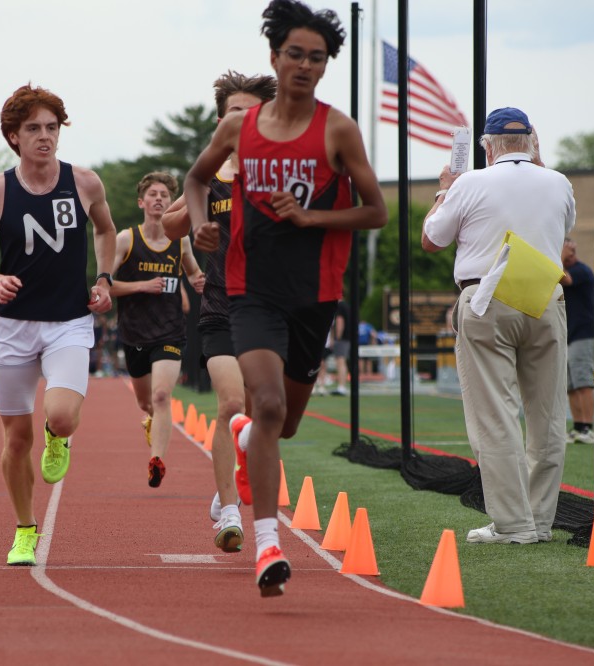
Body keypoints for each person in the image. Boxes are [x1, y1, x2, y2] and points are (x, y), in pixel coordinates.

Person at [184, 0, 387, 596]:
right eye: (295, 54)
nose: (305, 65)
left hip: (314, 295)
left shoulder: (337, 130)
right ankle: (268, 545)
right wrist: (200, 226)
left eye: (316, 57)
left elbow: (375, 211)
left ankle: (248, 436)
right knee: (267, 403)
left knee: (284, 423)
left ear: (325, 66)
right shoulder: (238, 129)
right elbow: (196, 180)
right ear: (275, 57)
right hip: (251, 290)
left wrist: (310, 216)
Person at [0, 83, 115, 567]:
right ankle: (25, 530)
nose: (45, 136)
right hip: (14, 327)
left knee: (62, 415)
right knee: (15, 440)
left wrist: (105, 279)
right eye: (33, 129)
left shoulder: (84, 182)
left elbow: (106, 230)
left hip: (69, 321)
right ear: (14, 136)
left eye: (52, 127)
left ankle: (57, 434)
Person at [422, 107, 576, 546]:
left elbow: (431, 239)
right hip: (544, 296)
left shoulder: (470, 182)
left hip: (487, 296)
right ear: (531, 141)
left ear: (488, 147)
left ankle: (512, 523)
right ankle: (540, 520)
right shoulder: (558, 182)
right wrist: (539, 162)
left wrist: (444, 189)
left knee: (495, 415)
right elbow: (563, 227)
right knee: (547, 415)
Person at [162, 70, 277, 551]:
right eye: (234, 113)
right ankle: (230, 514)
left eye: (251, 113)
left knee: (260, 413)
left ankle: (227, 479)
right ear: (220, 121)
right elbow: (169, 229)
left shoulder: (279, 171)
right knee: (230, 406)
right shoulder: (207, 177)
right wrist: (197, 207)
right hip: (220, 308)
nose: (243, 120)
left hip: (269, 311)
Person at [110, 171, 205, 489]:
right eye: (153, 194)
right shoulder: (126, 240)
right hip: (134, 333)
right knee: (146, 402)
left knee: (162, 395)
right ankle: (151, 421)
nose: (159, 199)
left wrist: (200, 282)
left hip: (170, 331)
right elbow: (105, 285)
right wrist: (141, 285)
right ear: (141, 202)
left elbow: (194, 274)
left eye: (165, 195)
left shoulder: (181, 240)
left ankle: (157, 460)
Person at [560, 238, 594, 444]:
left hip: (583, 333)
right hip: (569, 334)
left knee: (583, 382)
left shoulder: (582, 271)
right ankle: (579, 426)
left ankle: (588, 428)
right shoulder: (563, 268)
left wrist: (560, 257)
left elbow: (565, 279)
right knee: (571, 385)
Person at [330, 299, 350, 395]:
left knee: (340, 362)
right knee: (343, 362)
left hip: (341, 338)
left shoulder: (340, 306)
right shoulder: (347, 306)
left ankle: (341, 386)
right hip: (348, 338)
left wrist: (337, 338)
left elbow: (339, 321)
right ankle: (342, 386)